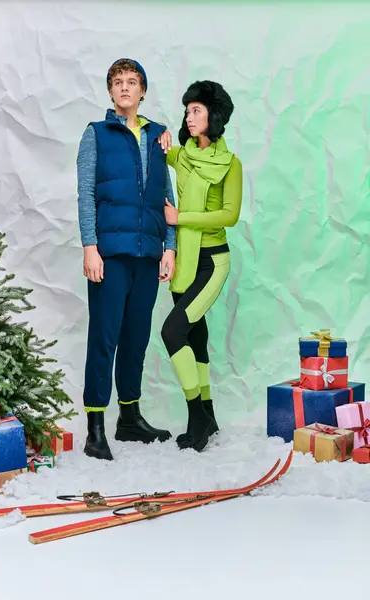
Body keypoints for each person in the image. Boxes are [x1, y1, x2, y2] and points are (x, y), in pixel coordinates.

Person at [77, 58, 176, 460]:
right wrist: (89, 246)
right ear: (110, 91)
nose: (124, 88)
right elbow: (85, 192)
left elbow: (166, 196)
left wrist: (169, 247)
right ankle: (95, 426)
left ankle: (130, 419)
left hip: (147, 254)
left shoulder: (157, 138)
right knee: (104, 338)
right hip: (110, 254)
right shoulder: (96, 134)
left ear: (142, 91)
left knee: (136, 338)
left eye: (131, 82)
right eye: (117, 82)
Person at [160, 80, 243, 452]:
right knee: (194, 335)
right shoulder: (181, 155)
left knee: (172, 331)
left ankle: (196, 415)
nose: (189, 117)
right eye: (187, 110)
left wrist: (182, 218)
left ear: (214, 115)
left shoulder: (231, 164)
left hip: (213, 262)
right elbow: (155, 154)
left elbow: (230, 215)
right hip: (185, 262)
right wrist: (158, 135)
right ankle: (208, 413)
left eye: (196, 110)